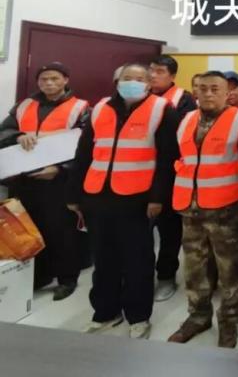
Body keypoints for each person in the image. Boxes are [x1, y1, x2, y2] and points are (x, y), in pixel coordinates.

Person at [67, 63, 179, 339]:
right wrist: (74, 194)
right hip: (97, 194)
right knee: (103, 259)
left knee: (137, 260)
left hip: (137, 197)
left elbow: (167, 158)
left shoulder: (161, 109)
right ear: (117, 81)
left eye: (139, 78)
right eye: (127, 78)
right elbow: (83, 153)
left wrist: (158, 197)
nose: (133, 82)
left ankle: (138, 316)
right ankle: (106, 312)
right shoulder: (100, 108)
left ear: (149, 83)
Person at [167, 71, 238, 349]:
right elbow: (182, 158)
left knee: (230, 272)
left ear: (228, 93)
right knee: (194, 269)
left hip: (227, 209)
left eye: (215, 88)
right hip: (190, 208)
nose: (208, 93)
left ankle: (229, 323)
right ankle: (198, 316)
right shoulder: (186, 119)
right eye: (202, 88)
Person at [0, 62, 89, 301]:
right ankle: (39, 276)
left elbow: (87, 147)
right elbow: (3, 132)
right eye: (44, 79)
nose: (49, 83)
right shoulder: (24, 105)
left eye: (54, 78)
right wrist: (18, 136)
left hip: (58, 181)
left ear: (65, 80)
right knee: (28, 230)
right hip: (24, 179)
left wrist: (59, 169)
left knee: (61, 232)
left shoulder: (81, 108)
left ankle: (67, 279)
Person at [149, 55, 199, 302]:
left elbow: (182, 137)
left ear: (172, 76)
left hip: (171, 174)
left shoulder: (183, 100)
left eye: (159, 71)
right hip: (138, 176)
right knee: (140, 233)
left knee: (169, 231)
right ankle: (140, 277)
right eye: (151, 70)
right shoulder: (140, 98)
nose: (153, 76)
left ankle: (166, 276)